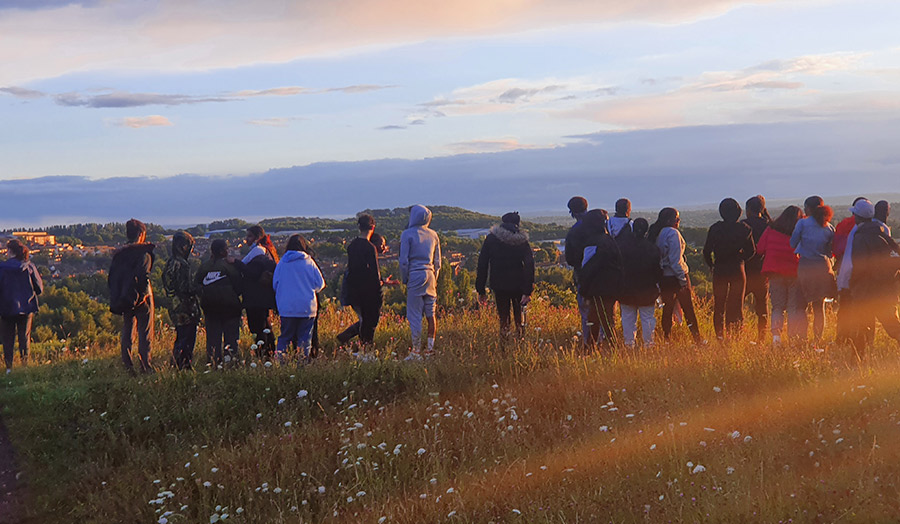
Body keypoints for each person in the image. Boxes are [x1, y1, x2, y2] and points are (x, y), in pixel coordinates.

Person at [848, 199, 900, 354]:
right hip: (885, 290)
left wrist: (852, 284)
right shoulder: (881, 233)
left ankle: (858, 359)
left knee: (862, 326)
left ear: (857, 217)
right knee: (892, 325)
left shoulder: (860, 236)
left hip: (866, 290)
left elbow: (859, 266)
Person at [703, 198, 755, 341]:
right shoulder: (744, 229)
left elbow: (706, 251)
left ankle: (720, 335)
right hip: (737, 268)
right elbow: (751, 251)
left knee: (719, 304)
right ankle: (735, 335)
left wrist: (712, 265)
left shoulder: (715, 229)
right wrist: (740, 259)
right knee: (736, 304)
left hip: (720, 268)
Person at [475, 212, 535, 337]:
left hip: (499, 284)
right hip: (519, 284)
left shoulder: (491, 239)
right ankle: (520, 342)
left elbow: (482, 264)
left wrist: (481, 290)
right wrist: (528, 290)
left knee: (503, 318)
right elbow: (529, 265)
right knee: (520, 318)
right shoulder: (522, 241)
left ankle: (504, 345)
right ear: (517, 224)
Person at [108, 219, 155, 373]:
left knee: (128, 331)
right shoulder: (143, 254)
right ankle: (145, 365)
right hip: (142, 298)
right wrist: (143, 296)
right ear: (141, 234)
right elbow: (143, 276)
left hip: (125, 298)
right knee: (145, 333)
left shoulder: (120, 255)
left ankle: (128, 365)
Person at [649, 208, 703, 344]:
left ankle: (667, 338)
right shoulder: (673, 234)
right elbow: (675, 261)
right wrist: (683, 279)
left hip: (664, 277)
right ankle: (697, 338)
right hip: (676, 277)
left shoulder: (658, 234)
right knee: (688, 308)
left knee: (667, 308)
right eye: (677, 218)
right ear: (670, 220)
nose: (679, 221)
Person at [790, 196, 836, 346]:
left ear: (808, 209)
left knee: (801, 304)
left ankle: (801, 337)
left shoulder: (802, 223)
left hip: (806, 265)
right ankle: (817, 339)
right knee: (819, 306)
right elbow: (831, 250)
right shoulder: (829, 227)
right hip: (823, 267)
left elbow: (792, 243)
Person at [273, 234, 325, 362]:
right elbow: (320, 284)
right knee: (305, 338)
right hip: (307, 306)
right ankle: (302, 363)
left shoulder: (282, 263)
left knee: (285, 337)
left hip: (287, 307)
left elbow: (275, 284)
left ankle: (282, 362)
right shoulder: (309, 262)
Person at [757, 206, 805, 343]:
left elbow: (760, 249)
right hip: (794, 272)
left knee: (777, 307)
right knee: (792, 307)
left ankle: (776, 338)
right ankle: (792, 337)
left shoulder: (771, 229)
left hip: (775, 272)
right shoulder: (799, 230)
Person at [400, 205, 442, 360]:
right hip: (430, 275)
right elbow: (438, 262)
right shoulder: (433, 235)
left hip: (415, 274)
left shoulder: (407, 234)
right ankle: (430, 350)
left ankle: (416, 351)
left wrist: (405, 278)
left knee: (415, 315)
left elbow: (403, 261)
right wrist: (434, 279)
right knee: (431, 314)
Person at [337, 214, 385, 348]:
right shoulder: (370, 248)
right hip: (368, 293)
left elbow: (353, 270)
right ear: (373, 227)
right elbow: (375, 274)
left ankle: (360, 346)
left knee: (363, 321)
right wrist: (380, 287)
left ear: (359, 227)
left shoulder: (352, 246)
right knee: (370, 324)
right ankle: (366, 348)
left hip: (354, 291)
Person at [579, 209, 624, 348]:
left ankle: (593, 347)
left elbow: (587, 268)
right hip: (611, 287)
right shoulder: (609, 240)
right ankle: (607, 347)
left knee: (596, 319)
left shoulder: (592, 242)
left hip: (596, 288)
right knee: (607, 318)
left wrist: (584, 289)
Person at [196, 239, 243, 367]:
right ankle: (231, 363)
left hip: (211, 308)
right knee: (231, 338)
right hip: (230, 308)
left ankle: (213, 363)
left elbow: (197, 285)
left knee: (213, 339)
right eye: (226, 249)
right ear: (223, 251)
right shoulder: (229, 266)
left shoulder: (204, 266)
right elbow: (239, 286)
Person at [617, 218, 660, 348]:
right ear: (646, 231)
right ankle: (649, 344)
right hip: (647, 290)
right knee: (647, 318)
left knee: (628, 318)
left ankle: (629, 344)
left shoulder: (622, 248)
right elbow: (657, 270)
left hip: (626, 289)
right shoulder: (652, 248)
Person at [0, 240, 43, 373]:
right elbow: (39, 288)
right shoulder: (29, 267)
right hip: (26, 307)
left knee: (8, 339)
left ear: (10, 251)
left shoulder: (2, 268)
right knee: (24, 338)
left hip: (6, 308)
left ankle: (9, 368)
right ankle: (25, 366)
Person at [162, 231, 200, 369]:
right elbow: (186, 288)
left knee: (180, 337)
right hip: (186, 308)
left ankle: (177, 364)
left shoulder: (170, 263)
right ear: (183, 246)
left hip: (174, 307)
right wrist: (199, 288)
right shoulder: (182, 264)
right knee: (187, 339)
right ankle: (184, 366)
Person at [835, 197, 870, 344]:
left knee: (845, 308)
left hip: (850, 274)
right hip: (868, 278)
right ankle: (864, 340)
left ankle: (843, 337)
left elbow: (838, 249)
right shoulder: (879, 228)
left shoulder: (846, 226)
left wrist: (842, 281)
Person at [240, 225, 278, 358]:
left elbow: (244, 267)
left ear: (257, 238)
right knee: (265, 325)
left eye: (249, 236)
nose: (246, 239)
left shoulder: (258, 251)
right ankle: (270, 351)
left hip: (256, 297)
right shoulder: (268, 250)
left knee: (258, 326)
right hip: (263, 297)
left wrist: (234, 263)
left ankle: (263, 353)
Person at [564, 196, 594, 347]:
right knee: (605, 310)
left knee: (586, 312)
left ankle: (588, 343)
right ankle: (606, 341)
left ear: (572, 212)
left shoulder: (574, 232)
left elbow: (569, 259)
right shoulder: (602, 225)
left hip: (583, 276)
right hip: (605, 276)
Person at [742, 195, 771, 339]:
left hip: (745, 270)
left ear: (748, 210)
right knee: (762, 306)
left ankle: (737, 332)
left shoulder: (743, 225)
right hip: (763, 270)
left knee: (736, 303)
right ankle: (762, 336)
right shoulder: (768, 225)